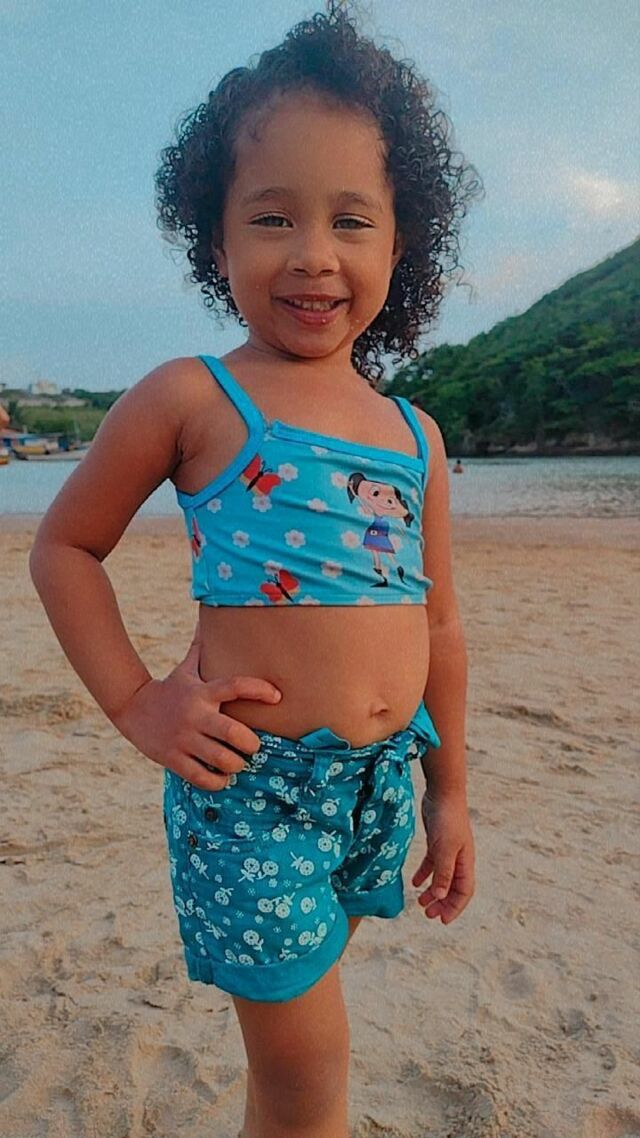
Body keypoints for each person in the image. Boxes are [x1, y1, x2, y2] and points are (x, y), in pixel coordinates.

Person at [29, 4, 482, 1135]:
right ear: (215, 238)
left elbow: (437, 627)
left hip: (377, 788)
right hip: (253, 797)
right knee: (306, 1076)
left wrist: (450, 792)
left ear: (399, 245)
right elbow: (65, 547)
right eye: (272, 217)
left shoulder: (416, 435)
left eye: (351, 220)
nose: (314, 253)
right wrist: (137, 701)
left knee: (306, 1027)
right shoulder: (194, 396)